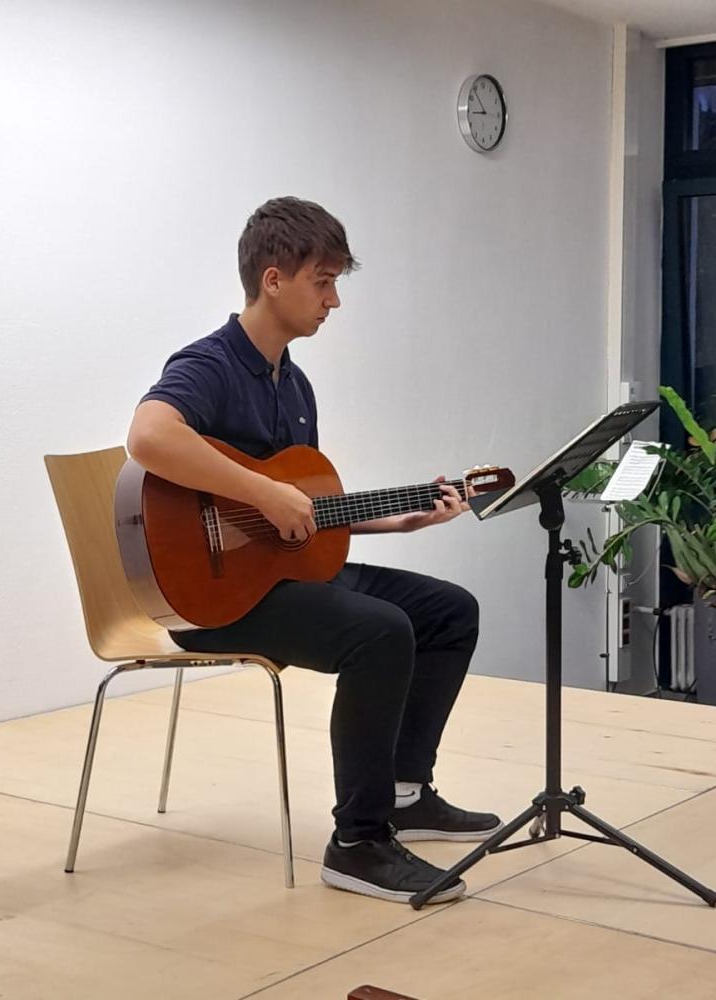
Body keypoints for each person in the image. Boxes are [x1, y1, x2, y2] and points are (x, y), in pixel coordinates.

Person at [126, 196, 500, 904]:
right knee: (380, 632)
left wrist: (399, 522)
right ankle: (358, 843)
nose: (334, 301)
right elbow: (148, 436)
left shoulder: (294, 384)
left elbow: (298, 525)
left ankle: (404, 792)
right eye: (322, 282)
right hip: (210, 601)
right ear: (273, 280)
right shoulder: (209, 363)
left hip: (279, 582)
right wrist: (264, 492)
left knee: (449, 611)